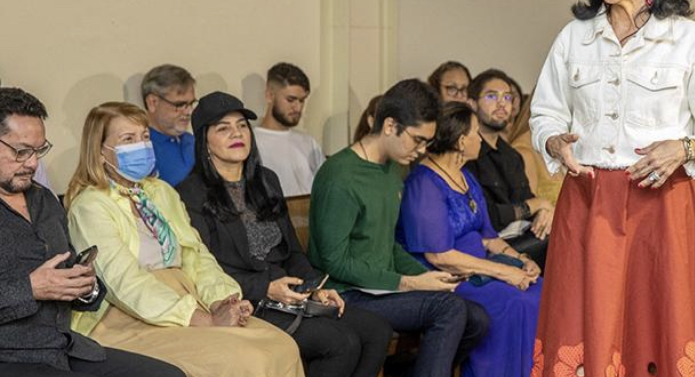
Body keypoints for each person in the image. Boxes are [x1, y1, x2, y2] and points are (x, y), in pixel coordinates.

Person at [529, 0, 695, 376]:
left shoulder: (689, 41)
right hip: (588, 200)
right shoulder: (574, 39)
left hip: (661, 200)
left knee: (661, 318)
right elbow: (544, 112)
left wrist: (684, 149)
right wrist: (553, 141)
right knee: (586, 319)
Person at [65, 102, 304, 377]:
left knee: (281, 347)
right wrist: (200, 318)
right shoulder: (90, 205)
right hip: (127, 315)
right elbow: (122, 282)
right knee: (240, 359)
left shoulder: (159, 192)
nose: (141, 146)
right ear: (99, 151)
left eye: (144, 137)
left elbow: (195, 254)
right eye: (128, 139)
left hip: (187, 297)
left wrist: (222, 300)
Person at [178, 92, 392, 377]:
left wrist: (313, 287)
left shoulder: (266, 180)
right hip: (246, 300)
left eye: (242, 125)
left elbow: (291, 250)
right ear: (204, 141)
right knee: (340, 342)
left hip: (289, 294)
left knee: (378, 330)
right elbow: (206, 268)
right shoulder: (190, 193)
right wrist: (265, 287)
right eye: (223, 128)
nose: (237, 134)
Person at [309, 79, 489, 377]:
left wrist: (427, 276)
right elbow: (334, 261)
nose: (422, 150)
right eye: (417, 140)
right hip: (346, 293)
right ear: (390, 126)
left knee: (478, 319)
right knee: (449, 309)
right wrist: (410, 282)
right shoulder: (340, 176)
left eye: (427, 142)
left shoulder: (394, 167)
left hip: (382, 287)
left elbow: (385, 241)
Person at [0, 88, 184, 377]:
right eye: (22, 151)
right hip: (11, 356)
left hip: (65, 347)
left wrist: (86, 287)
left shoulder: (44, 200)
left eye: (39, 150)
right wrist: (30, 289)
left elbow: (71, 281)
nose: (33, 163)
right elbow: (37, 286)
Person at [400, 102, 542, 377]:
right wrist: (504, 272)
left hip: (481, 268)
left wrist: (521, 260)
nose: (481, 139)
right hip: (448, 278)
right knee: (516, 302)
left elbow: (488, 237)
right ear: (461, 141)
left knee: (538, 289)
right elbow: (440, 256)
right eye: (476, 133)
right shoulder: (424, 184)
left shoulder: (466, 176)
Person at [464, 69, 553, 268]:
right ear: (471, 104)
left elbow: (527, 200)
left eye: (507, 97)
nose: (501, 103)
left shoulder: (511, 155)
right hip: (486, 247)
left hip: (520, 237)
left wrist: (544, 211)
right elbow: (489, 217)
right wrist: (538, 204)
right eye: (491, 96)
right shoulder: (466, 154)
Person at [252, 63, 326, 197]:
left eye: (302, 101)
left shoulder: (309, 143)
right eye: (291, 100)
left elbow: (325, 187)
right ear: (270, 95)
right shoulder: (251, 142)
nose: (298, 108)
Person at [141, 65, 197, 185]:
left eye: (191, 104)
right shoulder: (139, 149)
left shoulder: (194, 142)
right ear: (152, 103)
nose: (189, 112)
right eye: (180, 105)